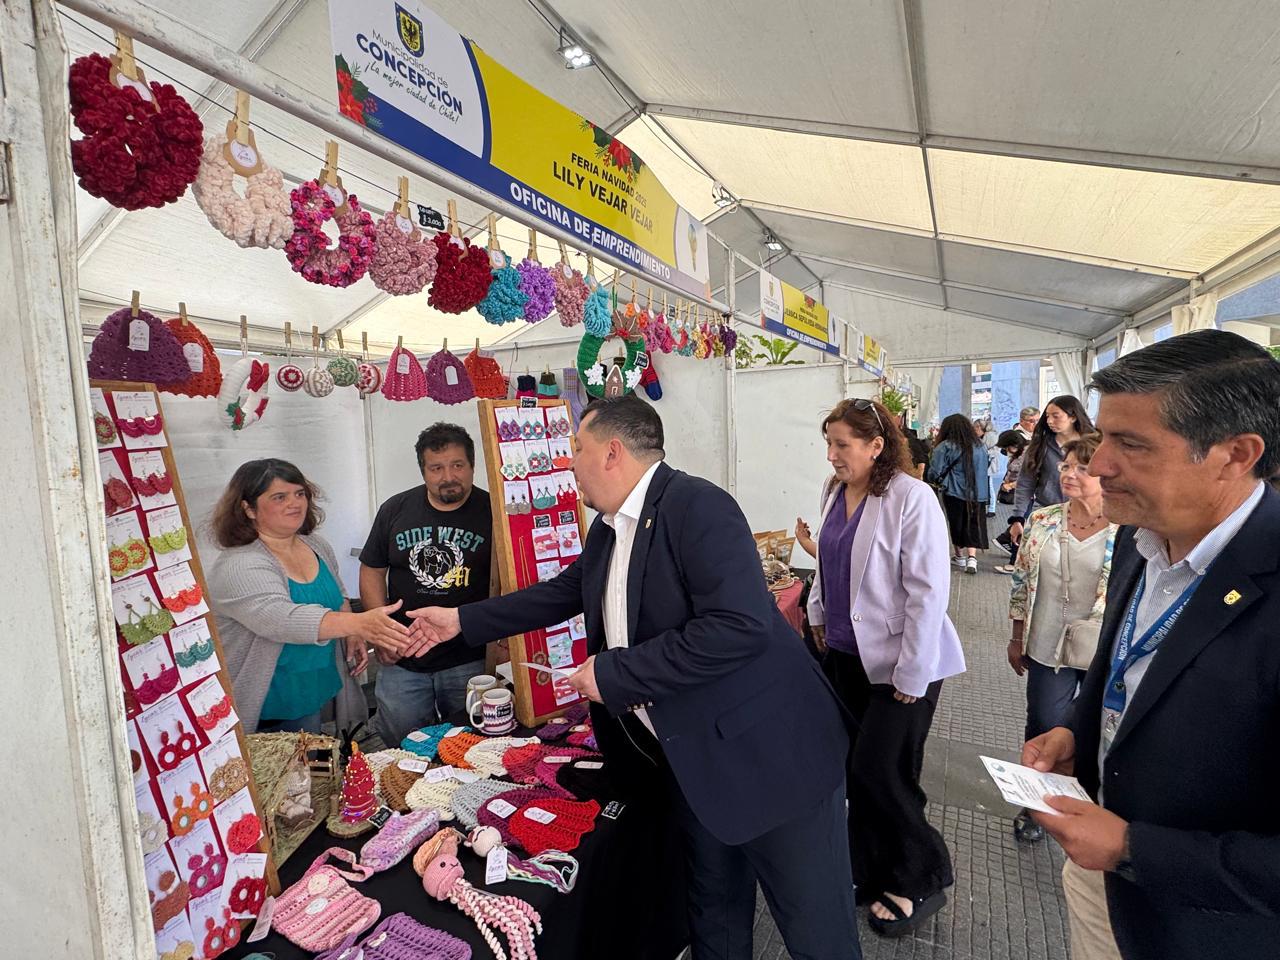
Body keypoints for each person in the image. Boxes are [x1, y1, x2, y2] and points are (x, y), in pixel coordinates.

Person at [406, 395, 860, 960]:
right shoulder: (608, 528)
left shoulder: (697, 506)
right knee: (713, 917)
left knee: (816, 931)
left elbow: (737, 626)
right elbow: (563, 592)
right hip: (697, 764)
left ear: (612, 452)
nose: (569, 462)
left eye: (577, 449)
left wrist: (615, 671)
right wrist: (461, 620)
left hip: (771, 761)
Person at [1021, 330, 1280, 960]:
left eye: (1131, 444)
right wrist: (1080, 731)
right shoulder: (1143, 539)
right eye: (1103, 437)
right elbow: (1130, 668)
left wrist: (1134, 849)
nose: (1097, 465)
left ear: (1236, 454)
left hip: (1209, 930)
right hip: (1102, 887)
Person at [808, 398, 965, 937]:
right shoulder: (835, 490)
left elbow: (928, 592)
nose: (832, 455)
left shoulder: (911, 498)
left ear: (876, 446)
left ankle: (921, 876)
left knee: (882, 770)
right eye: (829, 444)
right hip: (846, 656)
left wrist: (913, 672)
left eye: (842, 445)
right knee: (854, 769)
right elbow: (828, 561)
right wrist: (817, 613)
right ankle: (870, 867)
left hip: (902, 661)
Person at [207, 459, 409, 733]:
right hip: (268, 704)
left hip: (311, 691)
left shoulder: (314, 544)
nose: (295, 503)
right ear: (248, 508)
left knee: (313, 754)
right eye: (280, 497)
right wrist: (360, 623)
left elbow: (338, 593)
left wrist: (352, 632)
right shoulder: (239, 564)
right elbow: (282, 619)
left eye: (300, 493)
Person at [1006, 433, 1115, 844]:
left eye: (1082, 468)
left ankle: (1088, 804)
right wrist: (1016, 637)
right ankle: (1035, 804)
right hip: (1046, 643)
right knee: (1045, 724)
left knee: (1100, 728)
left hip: (1103, 651)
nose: (1068, 473)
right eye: (1066, 465)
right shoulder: (1043, 520)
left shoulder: (1128, 529)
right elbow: (1020, 581)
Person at [359, 423, 494, 747]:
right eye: (436, 468)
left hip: (470, 658)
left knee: (472, 746)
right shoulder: (395, 509)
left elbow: (511, 579)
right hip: (403, 656)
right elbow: (372, 570)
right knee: (403, 747)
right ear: (423, 471)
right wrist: (381, 632)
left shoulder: (494, 511)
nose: (448, 476)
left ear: (472, 465)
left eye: (457, 465)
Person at [1010, 396, 1093, 548]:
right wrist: (1018, 518)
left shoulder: (1093, 445)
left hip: (1087, 514)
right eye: (1047, 416)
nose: (1049, 421)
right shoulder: (1040, 445)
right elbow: (1025, 482)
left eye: (1056, 416)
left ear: (1073, 417)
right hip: (1047, 513)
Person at [928, 413, 990, 573]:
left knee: (956, 522)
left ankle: (959, 556)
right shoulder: (980, 446)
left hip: (953, 491)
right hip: (978, 493)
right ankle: (972, 559)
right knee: (974, 523)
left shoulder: (945, 446)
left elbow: (935, 471)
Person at [993, 430, 1029, 574]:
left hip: (1028, 495)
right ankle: (1014, 558)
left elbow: (1028, 477)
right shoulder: (1018, 453)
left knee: (1020, 525)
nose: (1006, 451)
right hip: (1022, 495)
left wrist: (1011, 485)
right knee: (1019, 524)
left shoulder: (1027, 454)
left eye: (1007, 447)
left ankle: (1014, 561)